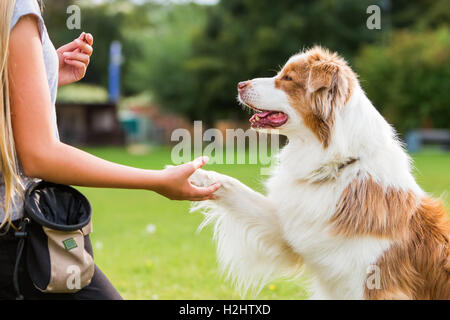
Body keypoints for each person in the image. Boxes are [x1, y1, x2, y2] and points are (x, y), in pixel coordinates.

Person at [0, 0, 220, 300]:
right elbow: (40, 155)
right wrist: (157, 180)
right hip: (15, 241)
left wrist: (44, 74)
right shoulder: (14, 7)